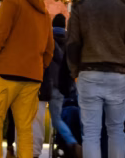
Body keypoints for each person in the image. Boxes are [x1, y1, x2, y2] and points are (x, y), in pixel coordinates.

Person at [66, 0, 125, 158]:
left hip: (88, 72)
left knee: (91, 132)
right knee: (116, 130)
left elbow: (73, 43)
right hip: (117, 73)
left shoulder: (80, 7)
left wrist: (74, 71)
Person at [0, 0, 54, 158]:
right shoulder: (44, 11)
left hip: (6, 72)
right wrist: (39, 66)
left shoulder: (12, 2)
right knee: (25, 128)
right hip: (32, 77)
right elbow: (49, 47)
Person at [45, 14, 77, 158]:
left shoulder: (47, 39)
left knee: (39, 117)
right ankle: (71, 142)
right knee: (58, 117)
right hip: (63, 85)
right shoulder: (70, 40)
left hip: (46, 82)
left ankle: (70, 142)